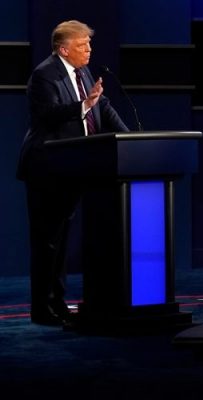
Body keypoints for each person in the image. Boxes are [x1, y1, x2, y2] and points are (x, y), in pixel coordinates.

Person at [16, 20, 129, 326]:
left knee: (63, 241)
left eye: (89, 44)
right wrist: (84, 104)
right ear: (64, 49)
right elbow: (47, 114)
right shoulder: (44, 74)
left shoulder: (83, 72)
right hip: (47, 167)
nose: (89, 50)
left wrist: (131, 139)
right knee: (48, 242)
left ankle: (58, 304)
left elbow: (101, 106)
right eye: (82, 45)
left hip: (75, 166)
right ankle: (43, 309)